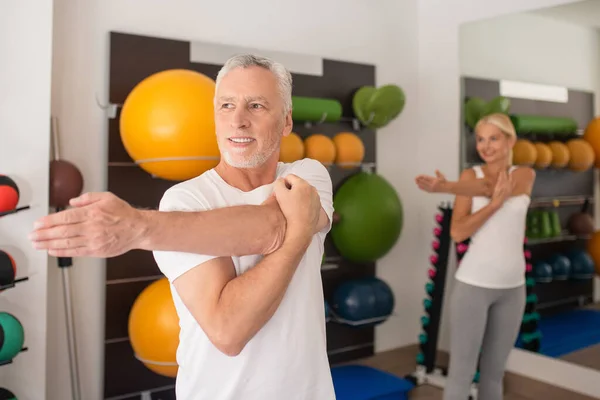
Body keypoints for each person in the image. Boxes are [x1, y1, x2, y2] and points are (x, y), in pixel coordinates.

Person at [30, 54, 337, 400]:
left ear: (286, 122)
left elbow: (270, 226)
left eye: (256, 106)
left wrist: (139, 226)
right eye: (226, 105)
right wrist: (299, 233)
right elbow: (228, 330)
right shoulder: (184, 202)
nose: (238, 120)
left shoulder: (308, 174)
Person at [415, 113, 536, 400]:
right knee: (462, 373)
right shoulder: (471, 176)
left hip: (513, 289)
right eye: (481, 139)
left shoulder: (524, 174)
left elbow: (492, 188)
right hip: (473, 286)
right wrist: (492, 207)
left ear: (510, 140)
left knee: (494, 375)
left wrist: (446, 187)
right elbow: (457, 232)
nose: (486, 146)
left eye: (494, 138)